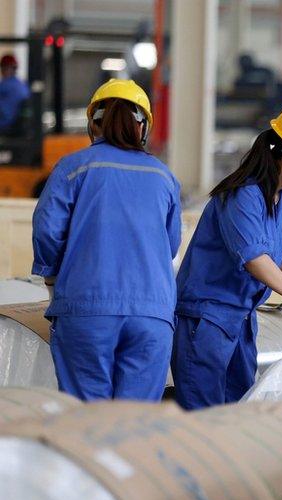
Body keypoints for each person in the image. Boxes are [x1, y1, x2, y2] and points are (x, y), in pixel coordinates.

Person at [171, 103, 282, 410]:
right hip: (208, 319)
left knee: (239, 408)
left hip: (240, 319)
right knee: (203, 414)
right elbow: (254, 258)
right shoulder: (242, 196)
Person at [32, 79, 181, 401]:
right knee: (134, 424)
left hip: (87, 310)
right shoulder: (163, 176)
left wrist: (53, 277)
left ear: (93, 123)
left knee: (88, 419)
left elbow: (47, 230)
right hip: (152, 313)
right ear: (142, 128)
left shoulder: (73, 167)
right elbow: (169, 245)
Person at [0, 54, 29, 134]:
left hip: (6, 124)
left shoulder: (5, 85)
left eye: (3, 68)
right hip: (15, 125)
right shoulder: (22, 84)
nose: (2, 71)